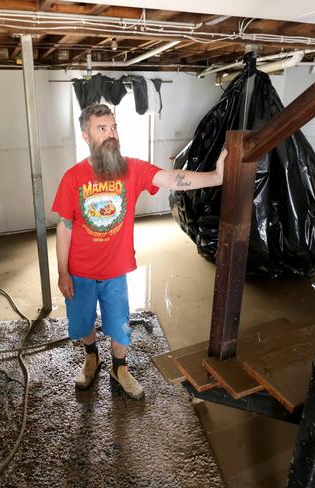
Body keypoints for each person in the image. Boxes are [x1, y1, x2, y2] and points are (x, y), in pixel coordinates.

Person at [52, 103, 227, 400]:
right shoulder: (73, 177)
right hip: (80, 271)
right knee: (82, 321)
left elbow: (172, 178)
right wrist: (62, 272)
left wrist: (217, 177)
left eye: (114, 127)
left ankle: (119, 368)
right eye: (102, 128)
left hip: (115, 271)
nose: (111, 134)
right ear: (86, 136)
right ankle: (92, 356)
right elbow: (64, 227)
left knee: (120, 325)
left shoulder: (132, 169)